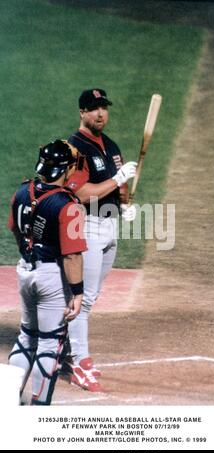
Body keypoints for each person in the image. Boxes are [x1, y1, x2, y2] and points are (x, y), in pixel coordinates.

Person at [64, 88, 137, 392]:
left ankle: (65, 350)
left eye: (103, 107)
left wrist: (126, 203)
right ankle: (79, 361)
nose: (100, 114)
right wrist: (119, 180)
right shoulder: (74, 148)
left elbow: (118, 192)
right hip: (86, 227)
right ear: (82, 112)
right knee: (84, 297)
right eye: (93, 108)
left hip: (109, 228)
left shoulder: (111, 145)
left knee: (91, 296)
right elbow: (82, 193)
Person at [8, 139, 87, 405]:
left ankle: (6, 402)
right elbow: (72, 255)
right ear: (65, 170)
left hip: (25, 270)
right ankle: (38, 411)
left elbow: (16, 230)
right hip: (51, 277)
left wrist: (29, 253)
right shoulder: (68, 204)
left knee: (27, 336)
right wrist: (77, 293)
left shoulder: (21, 192)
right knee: (50, 343)